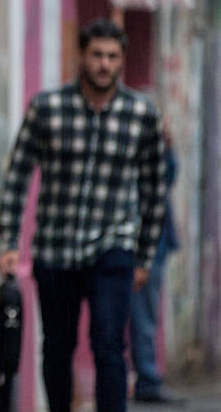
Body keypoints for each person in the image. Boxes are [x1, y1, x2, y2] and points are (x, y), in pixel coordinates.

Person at [0, 18, 166, 412]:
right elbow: (17, 175)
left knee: (108, 342)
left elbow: (155, 189)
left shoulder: (142, 115)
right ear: (81, 57)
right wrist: (8, 241)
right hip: (56, 247)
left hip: (114, 244)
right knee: (57, 346)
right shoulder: (47, 108)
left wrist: (144, 255)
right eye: (96, 55)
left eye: (112, 56)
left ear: (122, 60)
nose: (104, 65)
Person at [129, 125, 183, 404]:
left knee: (145, 315)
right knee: (142, 316)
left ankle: (146, 378)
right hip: (138, 247)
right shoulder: (132, 155)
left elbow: (169, 177)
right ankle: (146, 379)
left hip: (154, 245)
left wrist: (168, 148)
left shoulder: (156, 154)